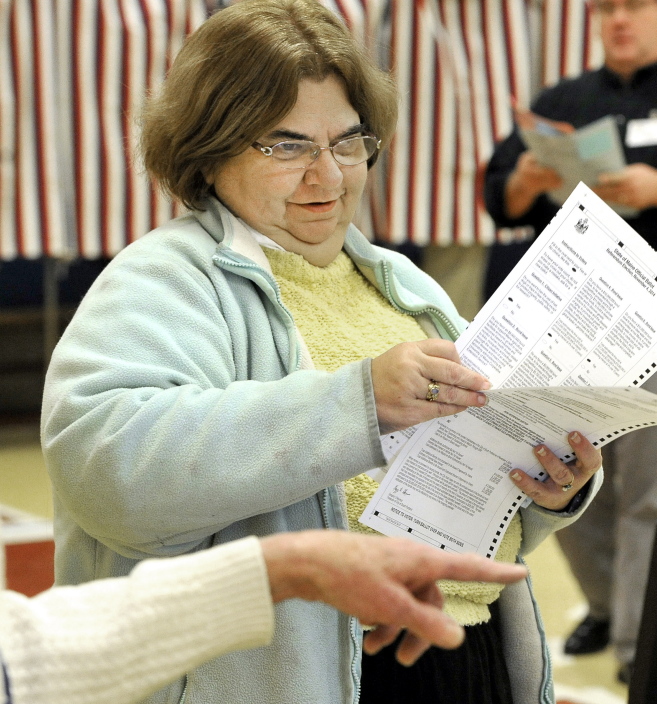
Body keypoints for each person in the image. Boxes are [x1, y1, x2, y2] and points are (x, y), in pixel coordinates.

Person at [39, 1, 603, 702]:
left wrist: (546, 486)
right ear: (209, 151)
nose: (328, 176)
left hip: (466, 657)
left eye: (346, 142)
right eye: (287, 146)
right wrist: (357, 400)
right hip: (309, 675)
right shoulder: (161, 280)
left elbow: (463, 494)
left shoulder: (404, 286)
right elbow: (108, 467)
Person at [482, 0, 657, 684]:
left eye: (634, 6)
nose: (618, 20)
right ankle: (612, 606)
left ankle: (647, 647)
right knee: (561, 477)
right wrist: (522, 183)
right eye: (605, 8)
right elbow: (498, 198)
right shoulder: (563, 102)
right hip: (573, 316)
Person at [0, 525, 527, 704]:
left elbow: (23, 653)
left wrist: (290, 567)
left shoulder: (409, 285)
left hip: (452, 647)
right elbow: (26, 665)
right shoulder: (151, 290)